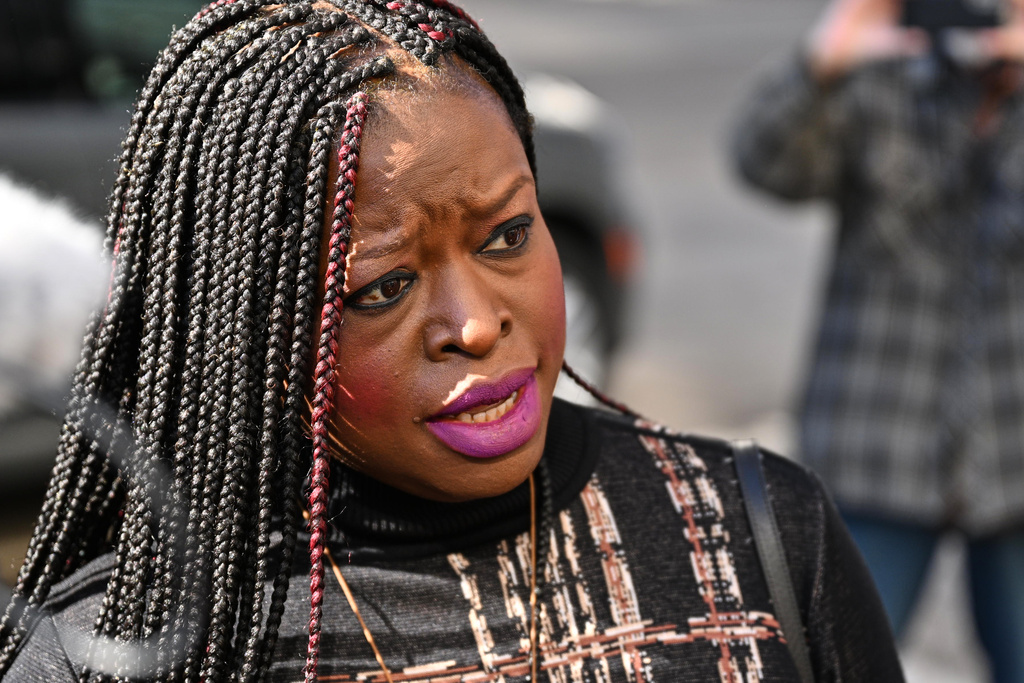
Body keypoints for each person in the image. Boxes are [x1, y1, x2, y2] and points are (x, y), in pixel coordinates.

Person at [0, 2, 902, 681]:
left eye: (507, 235)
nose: (475, 324)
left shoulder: (755, 535)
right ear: (248, 331)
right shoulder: (122, 649)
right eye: (383, 288)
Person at [731, 0, 1024, 681]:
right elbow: (763, 162)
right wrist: (824, 59)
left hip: (1015, 450)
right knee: (834, 665)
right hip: (876, 443)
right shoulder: (887, 75)